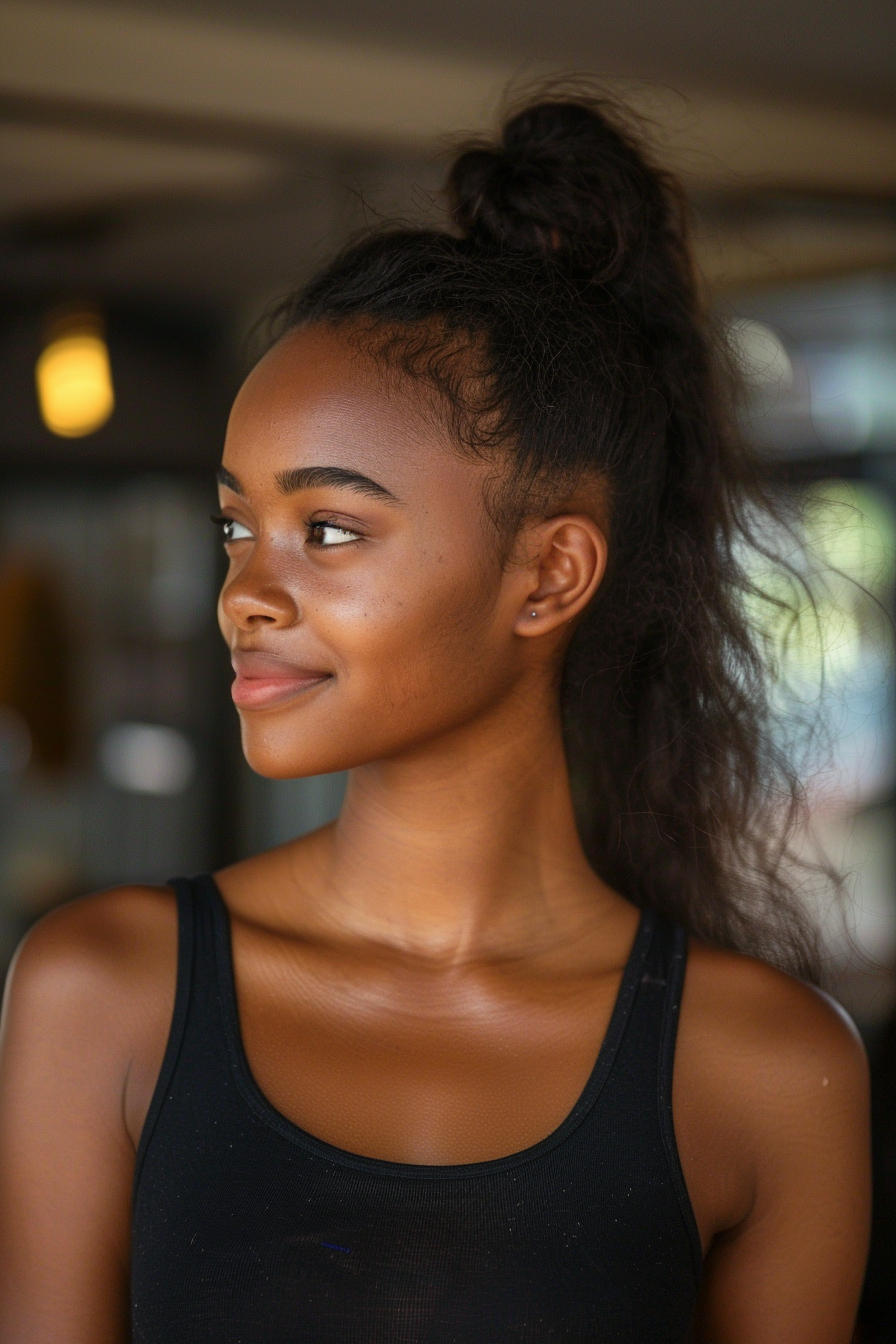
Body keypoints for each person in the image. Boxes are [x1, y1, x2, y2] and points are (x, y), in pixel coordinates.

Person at [0, 92, 870, 1343]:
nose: (245, 593)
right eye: (237, 525)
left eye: (331, 530)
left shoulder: (770, 1068)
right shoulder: (103, 989)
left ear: (550, 574)